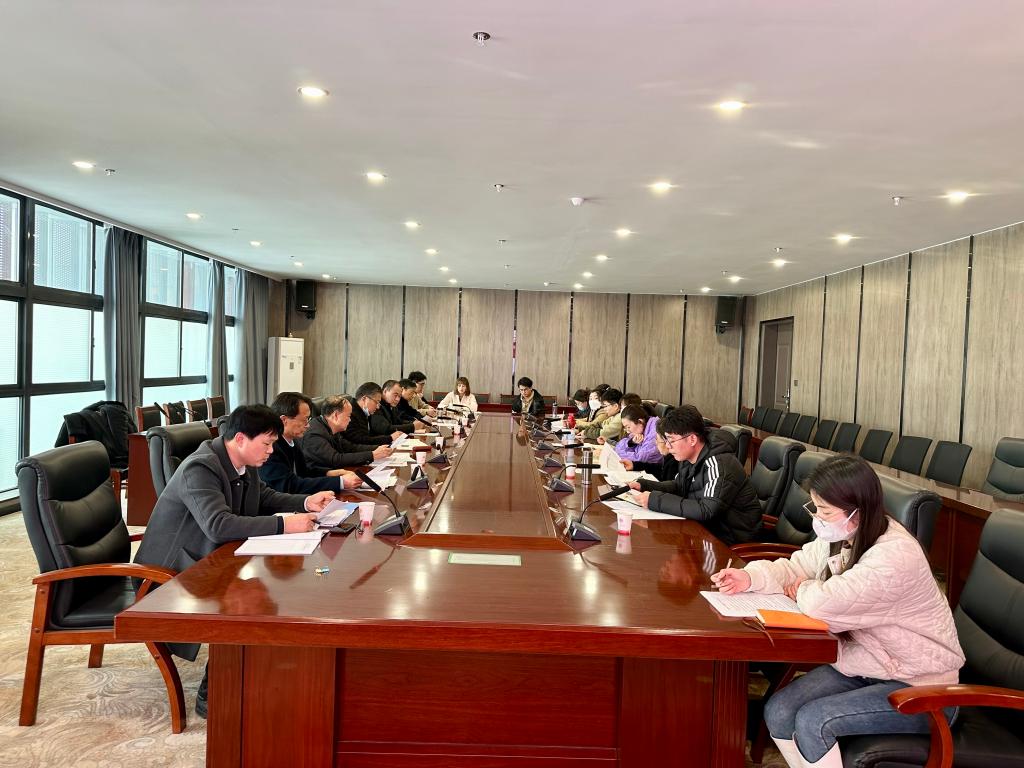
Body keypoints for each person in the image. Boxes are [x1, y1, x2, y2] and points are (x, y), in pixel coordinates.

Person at [711, 455, 964, 768]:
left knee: (814, 721)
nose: (818, 518)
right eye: (816, 507)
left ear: (858, 510)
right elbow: (796, 567)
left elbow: (821, 605)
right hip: (868, 665)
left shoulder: (894, 556)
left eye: (825, 511)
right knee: (780, 710)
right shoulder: (844, 534)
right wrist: (750, 577)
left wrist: (803, 589)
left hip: (922, 686)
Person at [133, 404, 336, 716]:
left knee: (273, 584)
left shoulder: (242, 461)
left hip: (209, 556)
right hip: (170, 573)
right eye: (266, 444)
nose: (271, 451)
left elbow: (263, 497)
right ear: (240, 439)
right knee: (247, 597)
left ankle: (258, 667)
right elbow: (219, 525)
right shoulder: (200, 468)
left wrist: (306, 502)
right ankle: (214, 691)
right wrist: (285, 524)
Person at [628, 405, 762, 545]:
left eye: (671, 440)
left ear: (692, 439)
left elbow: (707, 510)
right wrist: (644, 485)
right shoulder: (689, 456)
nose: (667, 446)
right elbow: (679, 486)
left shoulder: (719, 464)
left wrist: (654, 500)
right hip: (704, 531)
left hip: (731, 541)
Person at [261, 392, 362, 493]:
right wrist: (340, 482)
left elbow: (304, 472)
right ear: (284, 420)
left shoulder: (292, 440)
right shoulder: (270, 448)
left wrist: (329, 473)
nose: (308, 425)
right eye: (304, 420)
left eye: (308, 419)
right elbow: (289, 485)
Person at [302, 395, 393, 473]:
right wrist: (372, 455)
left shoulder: (330, 427)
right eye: (348, 416)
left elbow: (349, 447)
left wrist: (377, 449)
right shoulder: (315, 434)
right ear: (336, 415)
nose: (350, 420)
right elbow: (335, 459)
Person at [346, 382, 405, 446]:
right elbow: (360, 440)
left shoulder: (364, 411)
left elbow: (368, 437)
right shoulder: (349, 413)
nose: (377, 407)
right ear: (364, 399)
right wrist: (389, 438)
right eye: (376, 402)